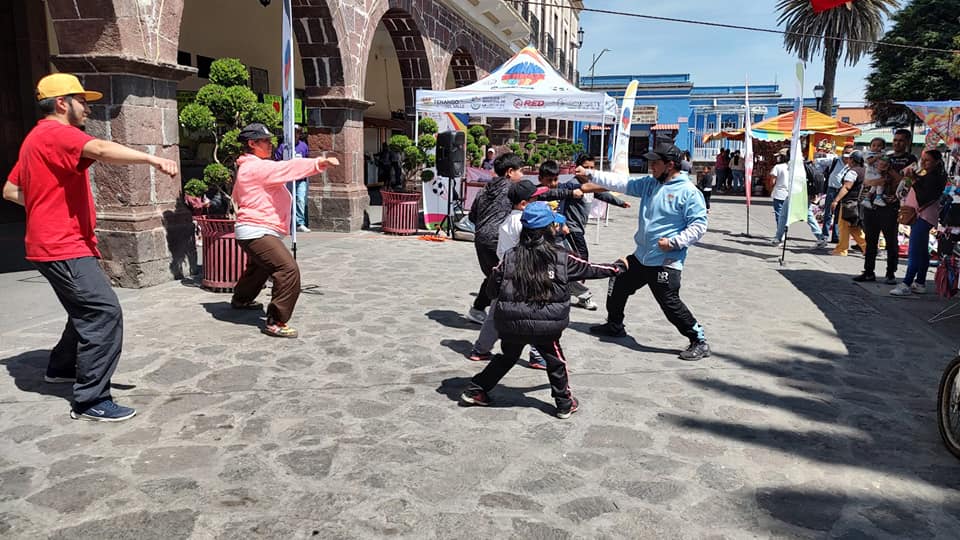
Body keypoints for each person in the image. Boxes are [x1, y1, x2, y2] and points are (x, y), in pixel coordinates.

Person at [2, 73, 179, 422]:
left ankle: (61, 367)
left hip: (54, 243)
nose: (88, 108)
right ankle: (90, 399)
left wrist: (43, 207)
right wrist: (151, 159)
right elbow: (99, 148)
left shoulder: (34, 139)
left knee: (84, 308)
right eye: (83, 101)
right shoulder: (57, 133)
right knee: (103, 312)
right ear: (62, 103)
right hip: (62, 245)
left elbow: (9, 190)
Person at [459, 201, 628, 418]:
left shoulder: (510, 256)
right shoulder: (561, 257)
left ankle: (476, 390)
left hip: (511, 323)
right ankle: (564, 403)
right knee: (555, 361)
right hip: (545, 325)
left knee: (508, 355)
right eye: (554, 225)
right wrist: (619, 267)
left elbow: (492, 288)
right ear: (548, 229)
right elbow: (592, 269)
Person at [576, 142, 711, 361]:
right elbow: (621, 183)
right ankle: (614, 325)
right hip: (641, 256)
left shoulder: (688, 192)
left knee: (669, 303)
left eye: (655, 163)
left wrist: (675, 242)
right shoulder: (650, 184)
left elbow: (699, 226)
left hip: (666, 259)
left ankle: (699, 339)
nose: (651, 168)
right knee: (618, 283)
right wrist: (589, 173)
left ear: (670, 165)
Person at [229, 122, 339, 337]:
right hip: (256, 230)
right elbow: (287, 168)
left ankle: (241, 299)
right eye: (266, 141)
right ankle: (276, 321)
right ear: (252, 143)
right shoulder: (256, 167)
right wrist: (319, 163)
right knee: (288, 271)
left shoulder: (248, 166)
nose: (271, 145)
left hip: (253, 229)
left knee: (259, 267)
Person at [468, 180, 551, 367]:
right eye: (535, 200)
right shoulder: (523, 223)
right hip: (524, 276)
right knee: (535, 316)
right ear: (523, 204)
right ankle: (537, 355)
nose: (539, 202)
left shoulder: (508, 220)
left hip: (505, 274)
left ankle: (481, 349)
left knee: (495, 316)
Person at [553, 156, 630, 311]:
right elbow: (559, 201)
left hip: (579, 228)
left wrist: (621, 203)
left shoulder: (589, 186)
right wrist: (563, 223)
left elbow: (602, 195)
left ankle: (571, 290)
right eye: (586, 167)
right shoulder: (573, 185)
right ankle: (582, 294)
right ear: (578, 168)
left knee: (576, 261)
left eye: (592, 168)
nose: (589, 170)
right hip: (571, 229)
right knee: (580, 260)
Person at [466, 153, 525, 324]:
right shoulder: (512, 189)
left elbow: (472, 216)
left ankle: (478, 309)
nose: (522, 175)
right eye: (520, 171)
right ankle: (504, 316)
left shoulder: (484, 188)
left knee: (495, 275)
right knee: (505, 277)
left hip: (481, 238)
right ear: (510, 171)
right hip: (498, 239)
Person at [890, 149, 948, 296]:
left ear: (936, 162)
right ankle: (920, 282)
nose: (924, 163)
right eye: (923, 160)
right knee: (921, 251)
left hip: (923, 216)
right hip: (921, 215)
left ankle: (907, 283)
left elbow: (924, 196)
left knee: (914, 251)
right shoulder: (928, 175)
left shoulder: (936, 177)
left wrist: (914, 180)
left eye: (927, 160)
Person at [854, 154, 901, 284]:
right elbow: (867, 181)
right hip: (872, 207)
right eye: (896, 140)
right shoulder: (877, 160)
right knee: (871, 241)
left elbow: (902, 181)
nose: (897, 143)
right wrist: (878, 180)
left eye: (901, 140)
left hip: (890, 208)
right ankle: (868, 271)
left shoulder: (908, 161)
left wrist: (889, 170)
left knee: (891, 242)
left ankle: (890, 273)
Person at [829, 150, 868, 256]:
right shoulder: (865, 170)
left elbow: (847, 186)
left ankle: (841, 249)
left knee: (844, 226)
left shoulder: (853, 172)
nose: (848, 160)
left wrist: (836, 200)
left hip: (849, 203)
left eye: (849, 158)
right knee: (854, 227)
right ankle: (867, 248)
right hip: (860, 203)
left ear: (852, 160)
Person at [274, 125, 312, 233]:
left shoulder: (303, 146)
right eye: (294, 132)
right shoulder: (283, 147)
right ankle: (286, 222)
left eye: (298, 133)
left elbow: (307, 160)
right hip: (287, 179)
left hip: (300, 179)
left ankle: (300, 223)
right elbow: (277, 160)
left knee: (300, 199)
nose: (295, 135)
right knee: (287, 200)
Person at [816, 143, 854, 242]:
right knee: (828, 213)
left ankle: (836, 236)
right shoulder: (835, 160)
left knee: (839, 214)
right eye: (846, 153)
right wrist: (820, 174)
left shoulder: (852, 164)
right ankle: (825, 235)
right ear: (842, 152)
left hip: (843, 191)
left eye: (850, 153)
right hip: (832, 189)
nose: (847, 155)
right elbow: (817, 161)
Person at [767, 151, 791, 246]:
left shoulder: (778, 167)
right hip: (790, 194)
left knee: (779, 216)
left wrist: (770, 189)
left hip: (779, 193)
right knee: (786, 216)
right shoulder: (794, 167)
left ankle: (780, 235)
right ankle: (782, 234)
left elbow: (772, 181)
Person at [860, 137, 887, 209]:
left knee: (875, 186)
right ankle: (878, 197)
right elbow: (869, 162)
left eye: (879, 146)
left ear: (883, 147)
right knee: (881, 182)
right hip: (870, 174)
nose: (876, 147)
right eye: (874, 145)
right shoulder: (869, 153)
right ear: (870, 146)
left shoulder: (883, 154)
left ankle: (867, 199)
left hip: (876, 173)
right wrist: (877, 157)